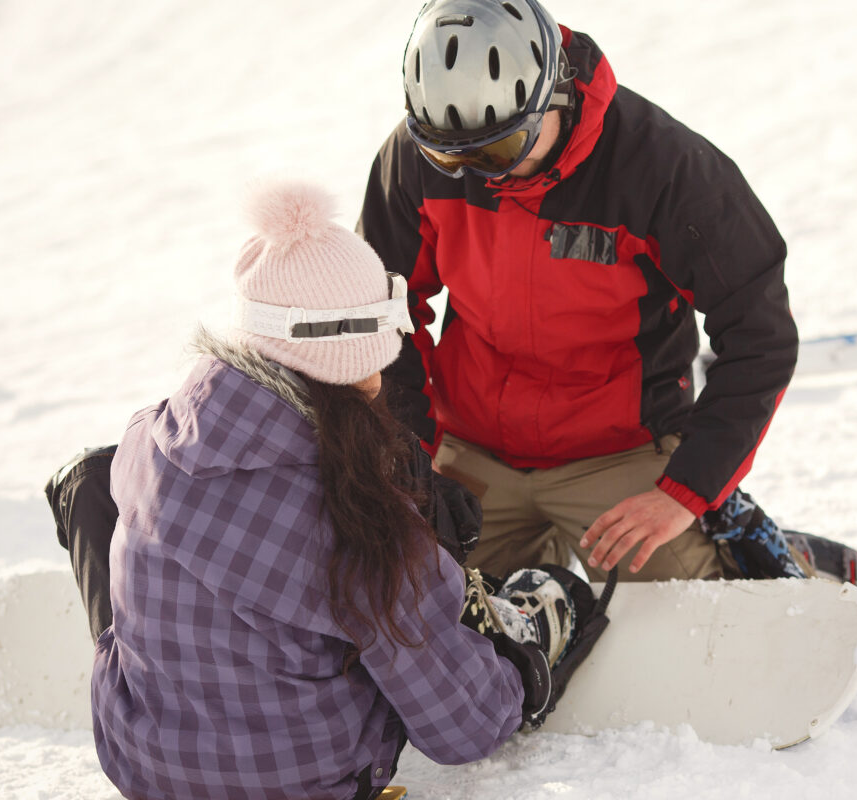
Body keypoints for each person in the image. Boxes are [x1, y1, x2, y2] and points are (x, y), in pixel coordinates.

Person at [74, 178, 586, 800]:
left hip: (141, 770)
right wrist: (520, 673)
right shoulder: (361, 520)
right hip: (300, 785)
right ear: (348, 361)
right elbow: (465, 730)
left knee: (102, 490)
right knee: (391, 632)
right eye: (377, 356)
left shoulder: (145, 439)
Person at [358, 0, 799, 583]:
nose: (480, 175)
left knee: (683, 622)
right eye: (452, 156)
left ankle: (779, 554)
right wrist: (411, 461)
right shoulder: (416, 161)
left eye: (499, 151)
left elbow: (759, 334)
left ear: (554, 95)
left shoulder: (665, 170)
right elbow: (381, 313)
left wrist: (684, 493)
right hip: (473, 450)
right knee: (415, 599)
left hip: (620, 452)